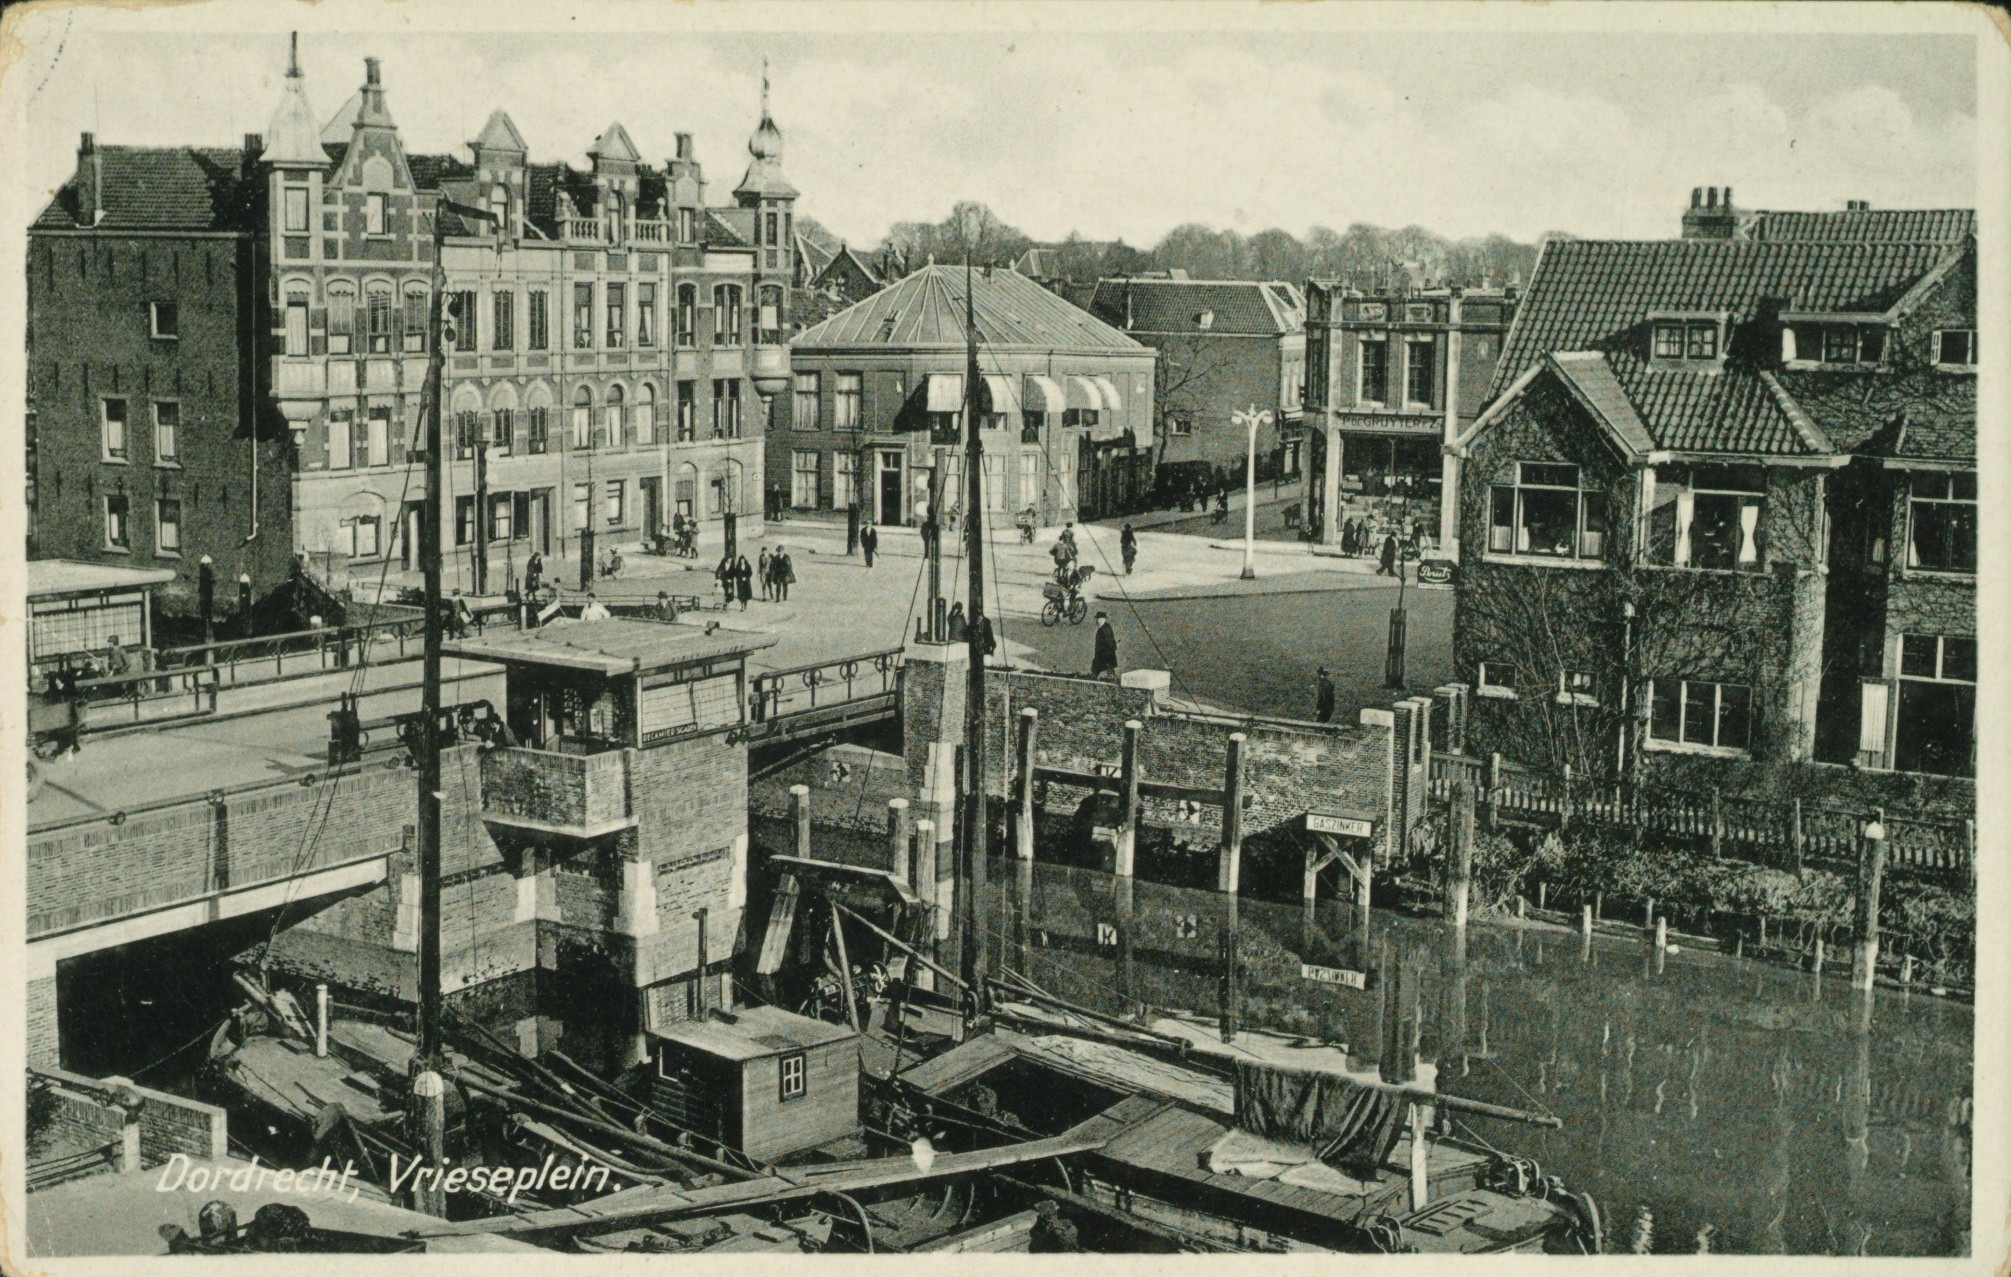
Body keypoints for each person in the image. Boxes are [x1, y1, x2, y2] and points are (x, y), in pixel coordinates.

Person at [1090, 612, 1119, 680]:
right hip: (1104, 652)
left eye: (1098, 619)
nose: (1097, 620)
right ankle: (1095, 676)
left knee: (1103, 665)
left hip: (1104, 653)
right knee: (1104, 666)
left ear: (1102, 619)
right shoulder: (1105, 627)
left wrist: (1112, 647)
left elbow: (1109, 641)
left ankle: (1095, 677)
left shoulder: (1104, 629)